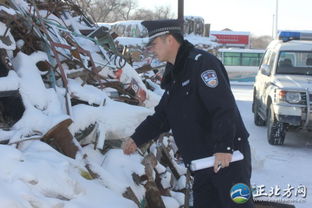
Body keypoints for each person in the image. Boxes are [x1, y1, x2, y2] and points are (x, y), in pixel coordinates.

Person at [123, 19, 254, 208]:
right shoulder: (175, 74)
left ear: (169, 40)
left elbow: (223, 107)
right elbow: (163, 116)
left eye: (154, 43)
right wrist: (136, 138)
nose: (151, 49)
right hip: (202, 164)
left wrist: (224, 147)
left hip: (227, 161)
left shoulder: (202, 65)